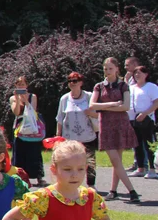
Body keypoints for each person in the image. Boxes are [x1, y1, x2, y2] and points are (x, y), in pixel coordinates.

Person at [90, 57, 139, 203]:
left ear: (117, 69)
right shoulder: (99, 86)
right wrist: (112, 104)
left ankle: (113, 191)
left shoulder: (123, 85)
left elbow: (125, 107)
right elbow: (92, 105)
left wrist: (103, 106)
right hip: (106, 125)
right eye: (105, 68)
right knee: (115, 160)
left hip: (120, 124)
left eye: (110, 68)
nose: (107, 71)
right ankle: (132, 191)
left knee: (117, 161)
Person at [56, 72, 100, 187]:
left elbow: (99, 114)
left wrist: (91, 113)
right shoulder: (65, 98)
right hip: (70, 137)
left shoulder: (89, 96)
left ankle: (91, 185)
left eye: (74, 81)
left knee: (89, 161)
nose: (72, 83)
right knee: (70, 162)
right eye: (69, 81)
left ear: (81, 82)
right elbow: (60, 118)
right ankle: (71, 184)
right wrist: (58, 135)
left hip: (87, 135)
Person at [9, 76, 46, 186]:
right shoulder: (13, 98)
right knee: (19, 152)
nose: (20, 86)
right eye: (18, 84)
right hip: (19, 128)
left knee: (34, 152)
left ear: (27, 85)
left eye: (22, 84)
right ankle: (18, 176)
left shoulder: (32, 96)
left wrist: (26, 101)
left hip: (31, 126)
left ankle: (38, 177)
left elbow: (32, 111)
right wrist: (17, 99)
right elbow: (16, 112)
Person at [128, 64, 158, 179]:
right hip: (133, 118)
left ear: (146, 74)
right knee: (137, 144)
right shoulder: (132, 87)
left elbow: (156, 102)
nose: (137, 75)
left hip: (147, 118)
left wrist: (145, 113)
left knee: (149, 144)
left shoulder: (151, 87)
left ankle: (152, 169)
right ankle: (140, 168)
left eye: (139, 73)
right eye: (135, 73)